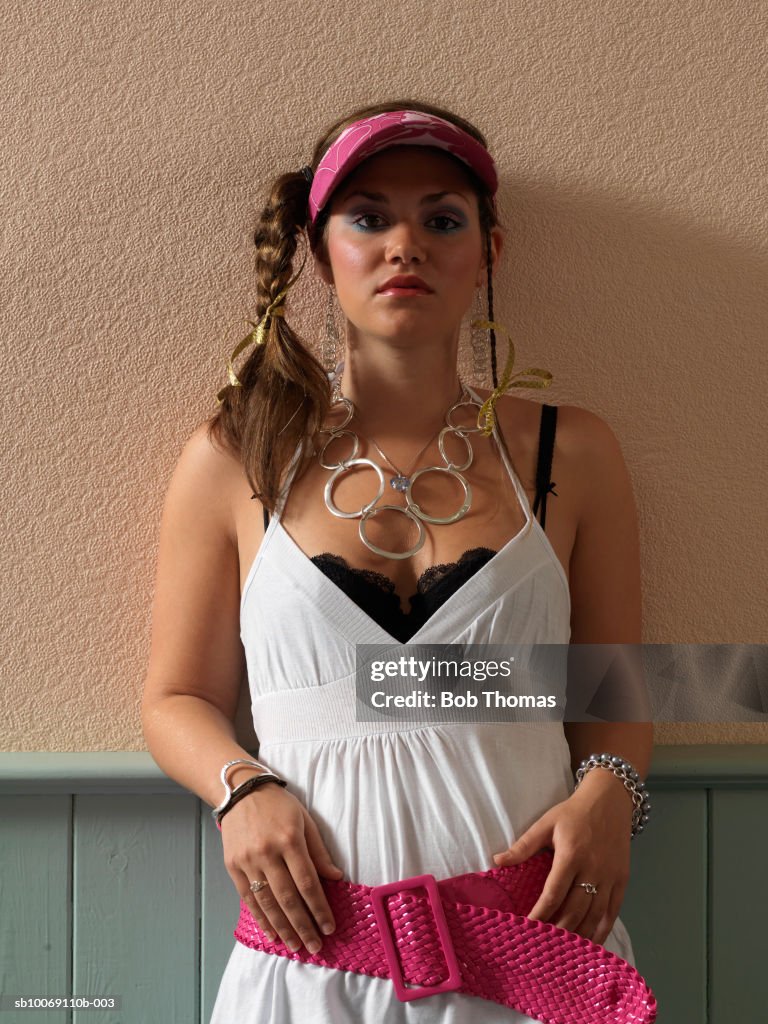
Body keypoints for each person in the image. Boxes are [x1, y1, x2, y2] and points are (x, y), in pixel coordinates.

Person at [141, 101, 655, 1024]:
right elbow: (175, 697)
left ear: (488, 253)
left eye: (442, 218)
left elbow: (614, 691)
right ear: (319, 248)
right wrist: (240, 789)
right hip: (308, 969)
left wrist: (613, 793)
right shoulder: (235, 459)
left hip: (534, 961)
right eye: (369, 217)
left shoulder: (571, 457)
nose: (404, 244)